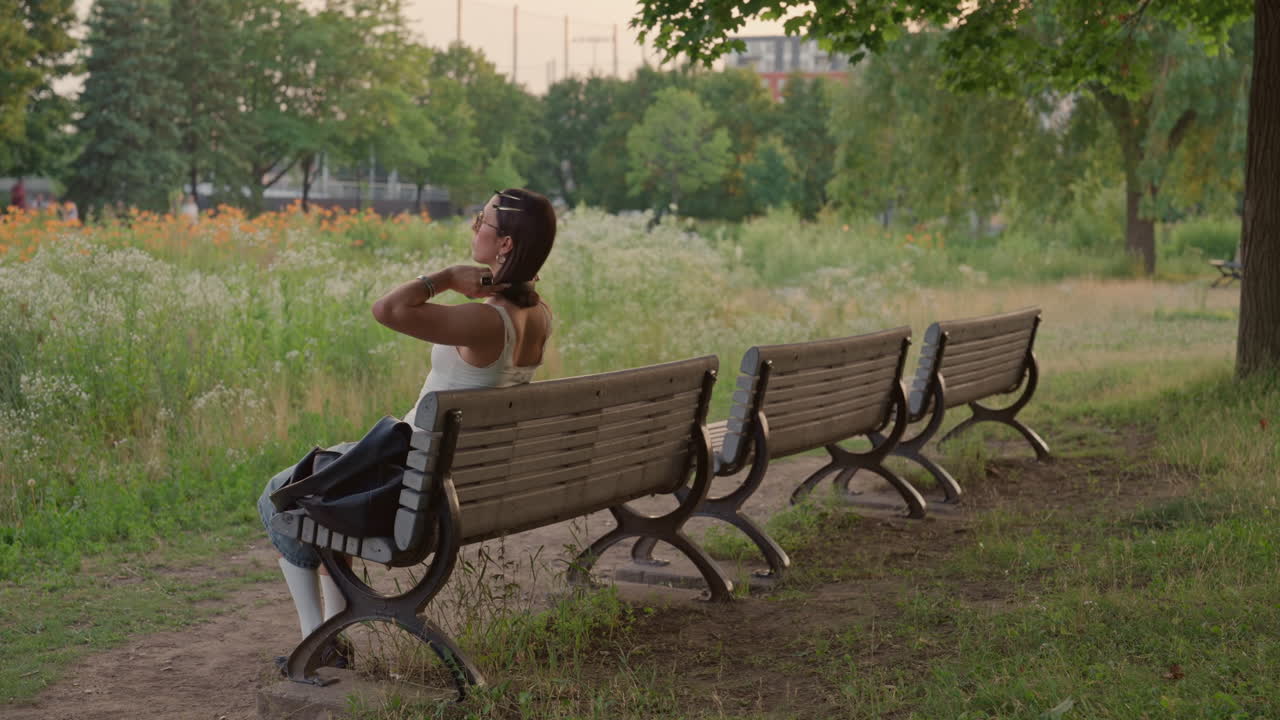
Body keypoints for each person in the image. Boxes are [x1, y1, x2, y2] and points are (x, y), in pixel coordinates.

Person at [256, 188, 556, 669]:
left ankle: (317, 640)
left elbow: (387, 309)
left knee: (279, 494)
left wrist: (442, 278)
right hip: (454, 480)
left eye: (482, 220)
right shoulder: (537, 314)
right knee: (320, 474)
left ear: (505, 245)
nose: (473, 226)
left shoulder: (486, 320)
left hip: (415, 484)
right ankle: (330, 639)